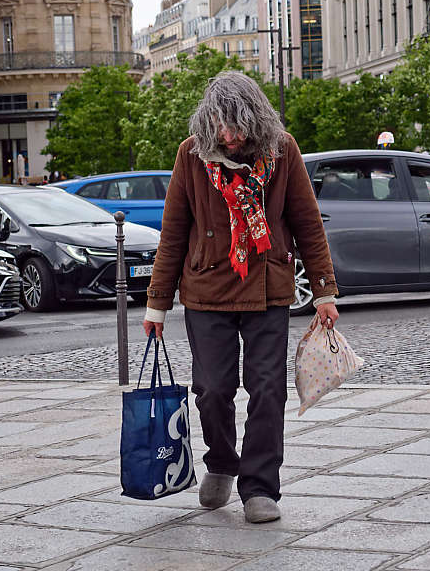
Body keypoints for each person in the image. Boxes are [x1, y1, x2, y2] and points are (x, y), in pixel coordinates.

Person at [142, 71, 338, 524]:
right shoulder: (191, 155)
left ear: (256, 120)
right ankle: (222, 462)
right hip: (206, 290)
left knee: (267, 390)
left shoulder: (282, 150)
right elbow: (172, 233)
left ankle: (260, 486)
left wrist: (325, 290)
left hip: (267, 288)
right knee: (212, 390)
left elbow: (308, 223)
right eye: (220, 126)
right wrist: (156, 304)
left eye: (237, 125)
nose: (228, 136)